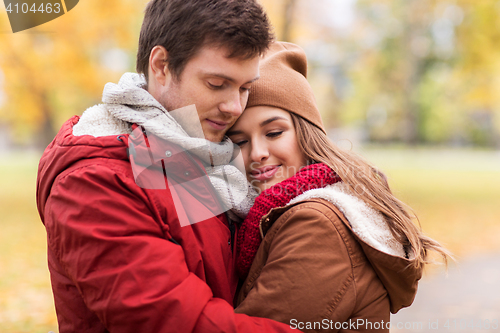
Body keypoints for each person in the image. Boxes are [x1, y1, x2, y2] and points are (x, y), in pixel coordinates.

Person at [36, 1, 297, 332]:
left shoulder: (202, 153)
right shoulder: (95, 180)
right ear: (160, 65)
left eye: (245, 88)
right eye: (217, 84)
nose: (234, 107)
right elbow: (175, 320)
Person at [228, 42, 451, 332]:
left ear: (306, 132)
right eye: (240, 141)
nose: (256, 152)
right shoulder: (268, 213)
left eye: (273, 132)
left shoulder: (317, 225)